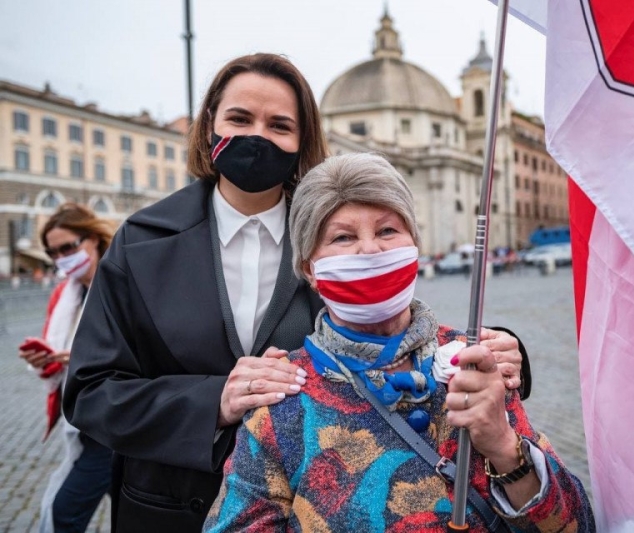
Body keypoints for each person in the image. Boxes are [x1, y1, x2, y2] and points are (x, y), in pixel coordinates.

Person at [63, 53, 530, 533]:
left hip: (312, 505)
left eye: (279, 125)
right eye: (240, 119)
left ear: (302, 140)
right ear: (209, 127)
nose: (258, 137)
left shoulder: (337, 235)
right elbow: (90, 392)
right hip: (167, 506)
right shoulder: (142, 241)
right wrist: (212, 402)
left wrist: (503, 350)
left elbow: (404, 333)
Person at [204, 153, 594, 532]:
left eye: (387, 230)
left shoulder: (478, 363)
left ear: (414, 244)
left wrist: (505, 448)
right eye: (343, 237)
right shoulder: (284, 393)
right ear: (309, 268)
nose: (370, 249)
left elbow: (577, 525)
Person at [18, 203, 115, 533]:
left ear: (92, 239)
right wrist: (45, 360)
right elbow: (58, 350)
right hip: (83, 420)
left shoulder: (121, 279)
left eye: (67, 247)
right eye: (53, 252)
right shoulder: (65, 293)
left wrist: (85, 359)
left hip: (113, 423)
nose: (61, 258)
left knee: (63, 513)